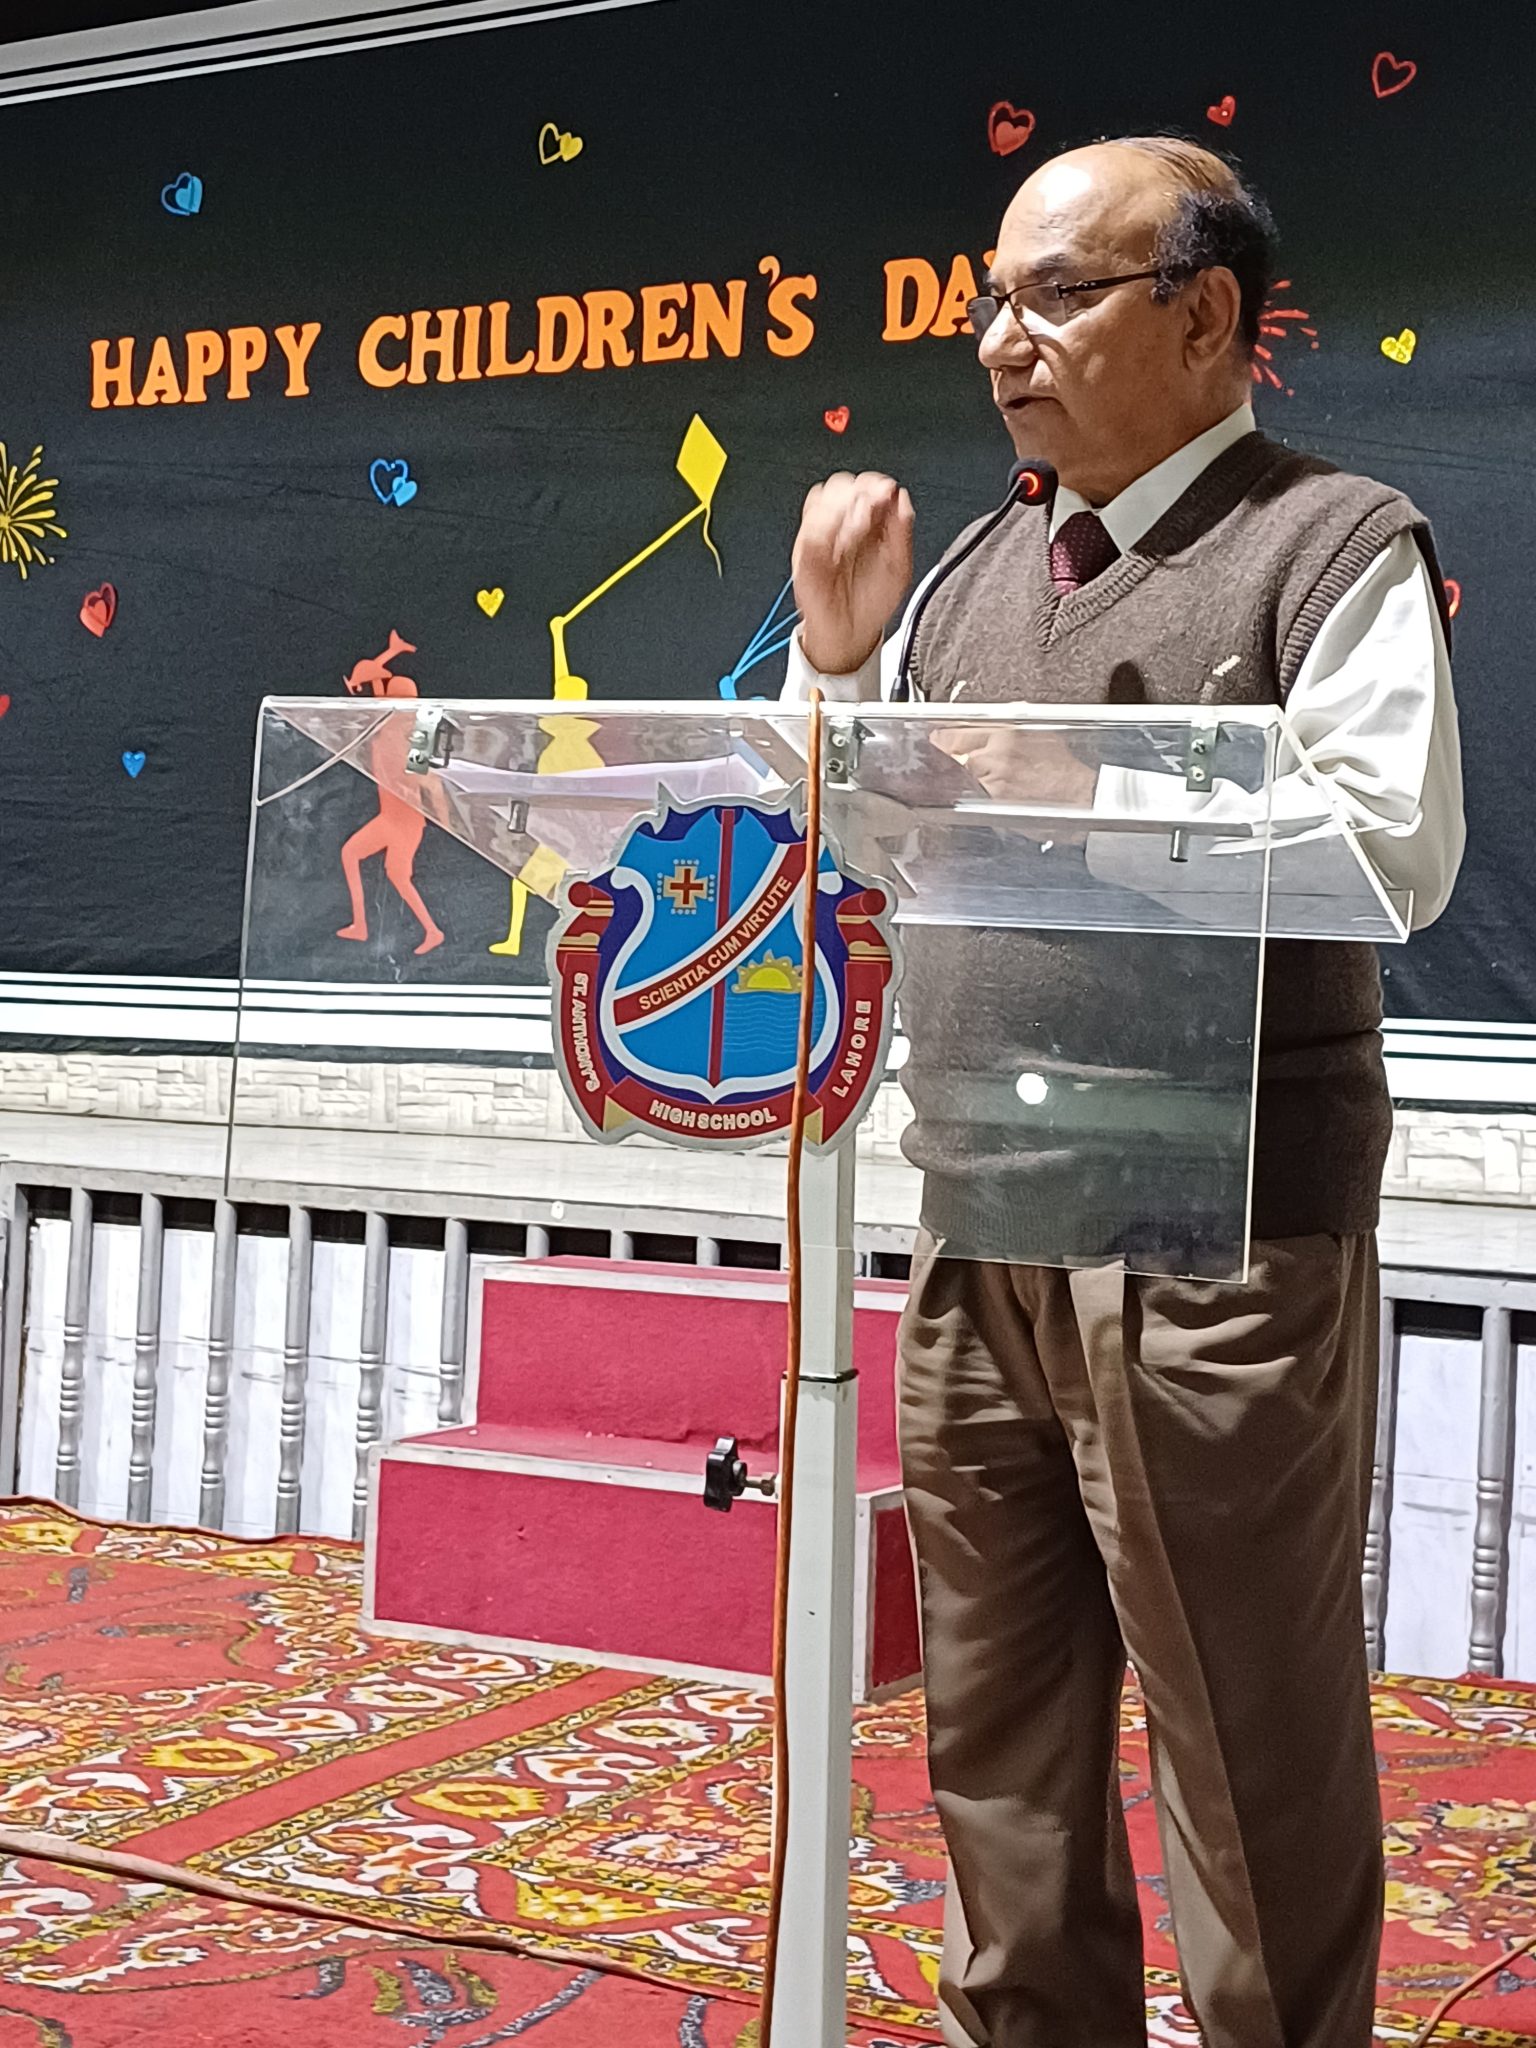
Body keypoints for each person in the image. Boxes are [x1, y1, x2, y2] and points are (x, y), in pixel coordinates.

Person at [783, 138, 1464, 2048]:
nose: (1002, 340)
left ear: (1208, 313)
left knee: (1247, 1740)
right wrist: (840, 666)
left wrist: (1089, 782)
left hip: (1218, 1239)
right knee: (995, 1738)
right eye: (990, 300)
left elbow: (1389, 849)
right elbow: (872, 831)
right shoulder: (971, 569)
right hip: (978, 1206)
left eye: (1057, 295)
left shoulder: (1330, 538)